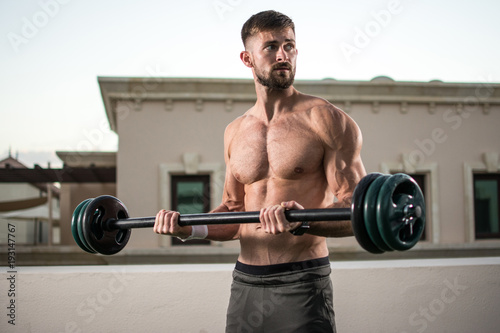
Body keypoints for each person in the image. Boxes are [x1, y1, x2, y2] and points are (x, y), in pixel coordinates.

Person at [154, 10, 366, 332]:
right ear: (247, 58)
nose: (283, 55)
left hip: (302, 281)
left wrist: (302, 218)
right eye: (271, 47)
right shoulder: (235, 131)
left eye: (290, 46)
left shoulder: (326, 120)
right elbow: (233, 212)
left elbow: (356, 209)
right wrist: (187, 229)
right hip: (245, 283)